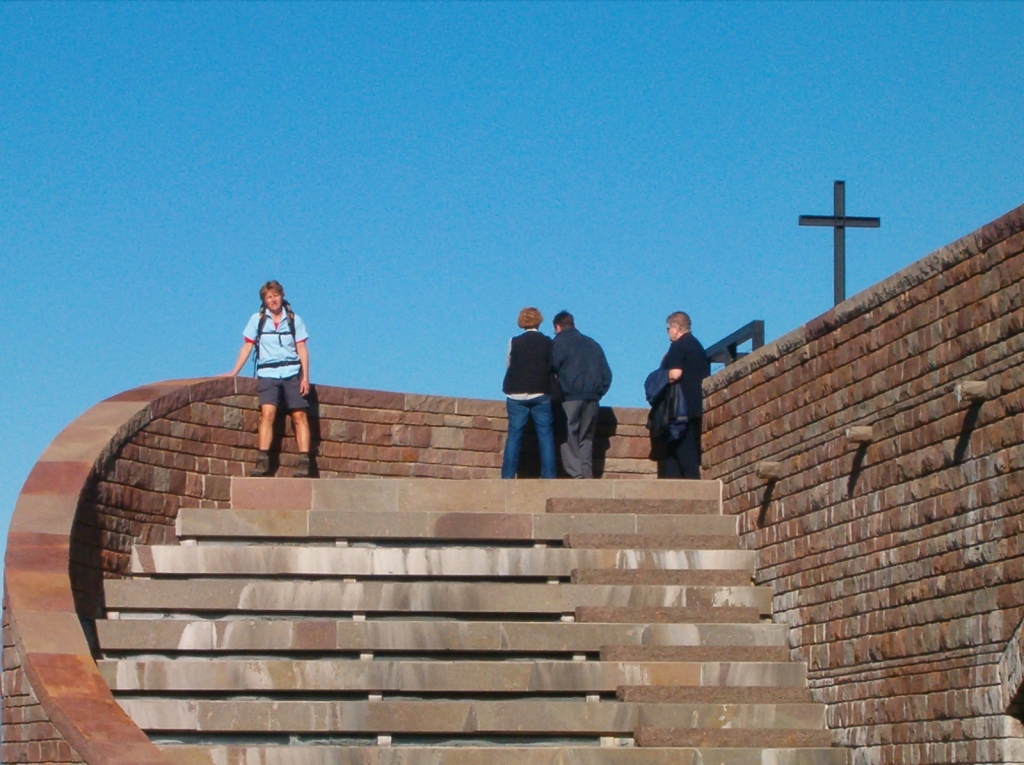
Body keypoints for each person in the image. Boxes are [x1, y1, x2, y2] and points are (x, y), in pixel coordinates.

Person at [221, 280, 312, 477]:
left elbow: (302, 348)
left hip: (291, 373)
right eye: (269, 297)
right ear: (264, 300)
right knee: (267, 414)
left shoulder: (294, 320)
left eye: (276, 295)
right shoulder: (258, 319)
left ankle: (305, 462)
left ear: (282, 295)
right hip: (267, 373)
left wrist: (305, 377)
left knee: (299, 416)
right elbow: (247, 345)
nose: (273, 300)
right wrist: (233, 372)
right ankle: (262, 461)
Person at [551, 311, 612, 478]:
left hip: (568, 398)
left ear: (558, 326)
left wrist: (555, 392)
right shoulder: (593, 344)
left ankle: (576, 475)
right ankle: (586, 475)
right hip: (592, 399)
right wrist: (598, 393)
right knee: (586, 438)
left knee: (568, 437)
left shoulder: (559, 342)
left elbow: (550, 368)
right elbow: (607, 375)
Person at [501, 307, 557, 479]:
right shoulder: (548, 342)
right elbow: (553, 367)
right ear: (539, 321)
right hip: (540, 392)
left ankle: (507, 477)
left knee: (514, 436)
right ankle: (548, 476)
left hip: (515, 393)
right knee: (545, 435)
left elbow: (508, 364)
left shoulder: (514, 341)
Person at [656, 311, 710, 479]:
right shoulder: (696, 346)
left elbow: (675, 374)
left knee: (683, 449)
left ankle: (691, 485)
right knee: (677, 450)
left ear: (676, 327)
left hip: (680, 407)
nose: (667, 333)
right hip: (695, 404)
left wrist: (658, 379)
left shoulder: (679, 345)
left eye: (668, 328)